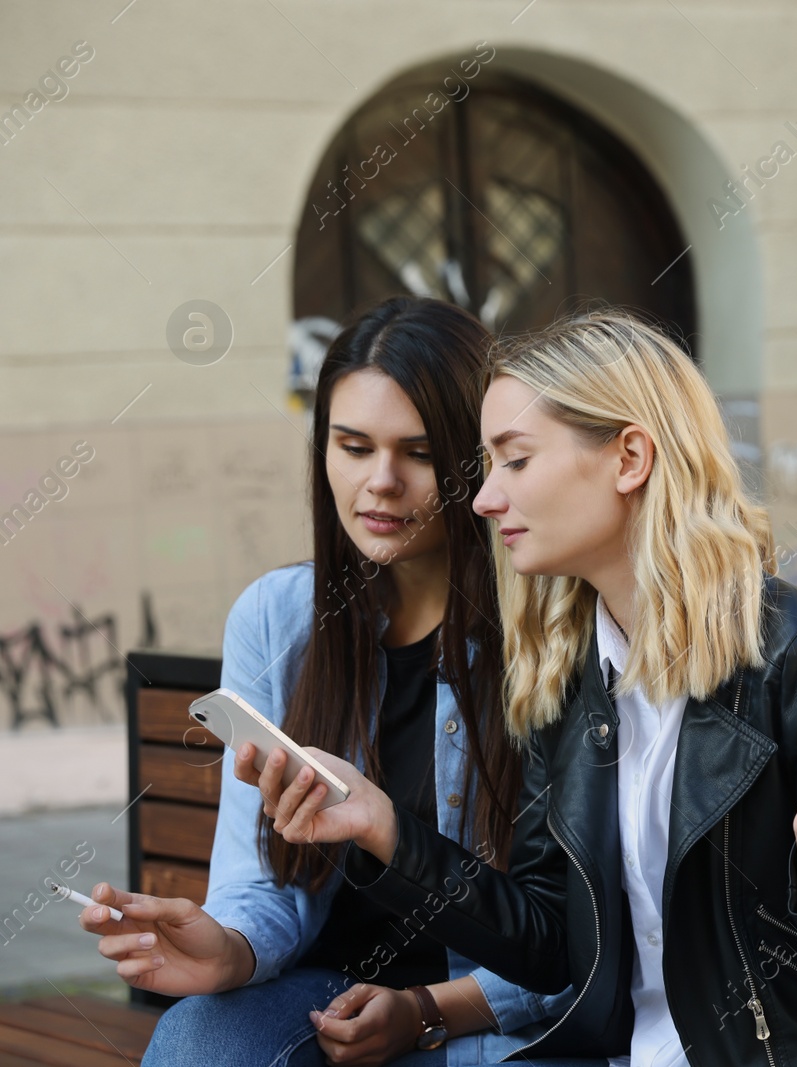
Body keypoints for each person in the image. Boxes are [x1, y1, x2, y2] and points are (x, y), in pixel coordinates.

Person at [227, 313, 797, 1066]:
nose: (483, 499)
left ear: (629, 456)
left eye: (515, 461)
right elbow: (548, 944)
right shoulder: (569, 669)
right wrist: (383, 828)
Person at [80, 298, 573, 1066]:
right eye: (352, 445)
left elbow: (581, 935)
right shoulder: (278, 620)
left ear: (476, 459)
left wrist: (426, 1010)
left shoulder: (546, 629)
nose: (381, 481)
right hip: (318, 1002)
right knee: (198, 1040)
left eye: (419, 451)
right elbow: (262, 885)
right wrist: (227, 947)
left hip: (495, 1020)